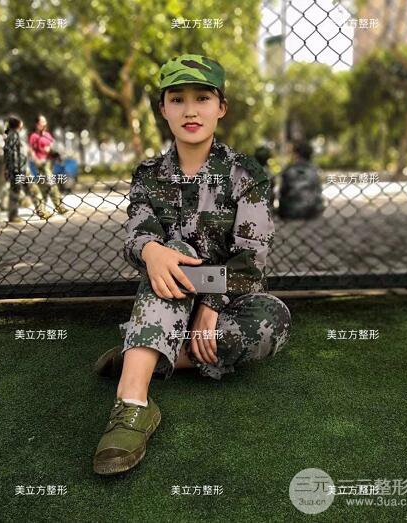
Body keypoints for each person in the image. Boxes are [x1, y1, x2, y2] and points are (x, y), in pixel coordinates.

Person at [92, 54, 292, 476]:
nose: (190, 110)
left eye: (202, 98)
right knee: (173, 251)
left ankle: (145, 353)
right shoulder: (148, 174)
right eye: (177, 99)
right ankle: (132, 403)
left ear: (221, 107)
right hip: (168, 291)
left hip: (229, 296)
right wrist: (152, 251)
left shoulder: (246, 173)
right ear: (163, 109)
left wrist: (212, 303)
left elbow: (252, 259)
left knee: (272, 321)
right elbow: (137, 233)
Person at [2, 116, 48, 224]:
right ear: (18, 125)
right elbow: (13, 154)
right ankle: (41, 212)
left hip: (19, 168)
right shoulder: (13, 136)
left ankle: (14, 215)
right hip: (19, 169)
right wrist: (16, 169)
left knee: (16, 192)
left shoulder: (13, 135)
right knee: (32, 190)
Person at [28, 115, 68, 215]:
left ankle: (41, 209)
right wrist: (36, 160)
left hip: (49, 162)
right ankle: (59, 207)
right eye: (42, 122)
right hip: (41, 163)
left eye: (45, 122)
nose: (44, 124)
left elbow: (51, 146)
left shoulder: (47, 135)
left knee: (43, 186)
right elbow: (31, 150)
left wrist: (51, 150)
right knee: (51, 182)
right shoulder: (34, 136)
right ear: (37, 124)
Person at [278, 141, 325, 219]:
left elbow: (283, 191)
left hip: (290, 211)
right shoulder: (315, 170)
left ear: (297, 154)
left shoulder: (289, 169)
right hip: (311, 211)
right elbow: (318, 191)